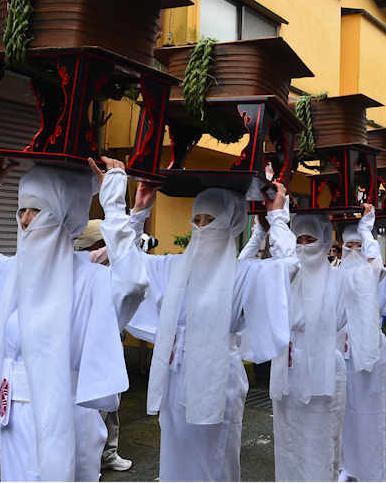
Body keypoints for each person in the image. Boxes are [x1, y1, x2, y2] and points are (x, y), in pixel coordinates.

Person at [0, 156, 148, 481]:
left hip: (69, 419)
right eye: (22, 209)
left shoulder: (90, 281)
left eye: (38, 210)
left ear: (65, 214)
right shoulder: (12, 274)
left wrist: (116, 208)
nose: (25, 220)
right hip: (13, 418)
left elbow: (133, 282)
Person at [122, 180, 296, 481]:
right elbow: (128, 263)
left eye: (211, 221)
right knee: (176, 462)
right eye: (197, 220)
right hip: (175, 375)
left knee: (214, 461)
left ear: (231, 223)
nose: (202, 229)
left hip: (219, 378)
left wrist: (277, 218)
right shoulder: (173, 267)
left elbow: (289, 265)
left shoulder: (245, 273)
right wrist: (138, 212)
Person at [240, 212, 347, 482]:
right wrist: (260, 235)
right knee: (289, 440)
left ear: (324, 242)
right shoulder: (285, 274)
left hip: (323, 369)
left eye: (310, 240)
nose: (303, 247)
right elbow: (241, 272)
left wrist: (278, 218)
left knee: (322, 439)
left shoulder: (338, 279)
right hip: (287, 370)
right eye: (298, 240)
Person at [74, 220, 134, 472]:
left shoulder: (113, 270)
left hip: (110, 346)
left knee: (111, 403)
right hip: (82, 352)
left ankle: (109, 453)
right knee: (88, 409)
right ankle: (88, 461)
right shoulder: (79, 269)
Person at [338, 205, 386, 482]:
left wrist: (366, 231)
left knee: (368, 415)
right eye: (350, 246)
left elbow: (375, 264)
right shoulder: (336, 273)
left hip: (369, 352)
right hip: (341, 352)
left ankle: (370, 471)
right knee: (343, 412)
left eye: (359, 246)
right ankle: (347, 466)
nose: (354, 251)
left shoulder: (373, 272)